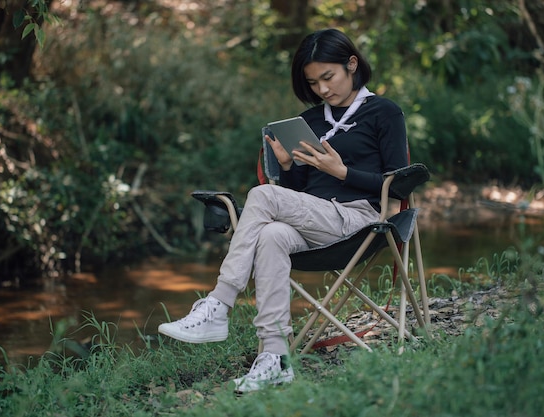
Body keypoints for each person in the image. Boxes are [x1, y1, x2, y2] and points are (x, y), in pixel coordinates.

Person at [158, 28, 408, 393]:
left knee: (262, 195)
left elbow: (399, 182)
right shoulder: (309, 122)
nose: (323, 89)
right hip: (318, 220)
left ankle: (219, 303)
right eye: (314, 82)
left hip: (364, 221)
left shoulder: (384, 112)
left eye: (329, 77)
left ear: (352, 65)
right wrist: (289, 167)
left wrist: (343, 172)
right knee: (272, 235)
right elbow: (297, 197)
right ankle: (275, 358)